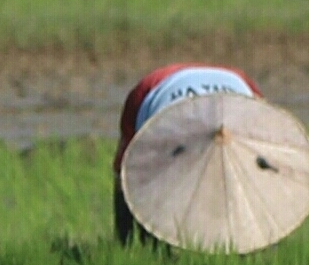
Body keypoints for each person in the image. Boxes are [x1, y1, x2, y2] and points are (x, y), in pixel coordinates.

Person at [112, 63, 262, 244]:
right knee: (137, 179)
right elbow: (127, 176)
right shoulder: (163, 132)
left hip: (229, 81)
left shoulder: (252, 108)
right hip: (156, 88)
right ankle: (133, 245)